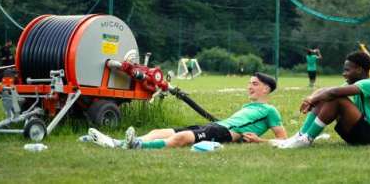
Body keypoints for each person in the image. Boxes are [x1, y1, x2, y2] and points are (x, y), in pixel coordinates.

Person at [88, 72, 287, 150]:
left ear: (266, 89)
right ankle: (117, 142)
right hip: (216, 127)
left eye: (254, 84)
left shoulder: (270, 110)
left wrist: (259, 141)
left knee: (182, 137)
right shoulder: (248, 106)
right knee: (160, 131)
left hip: (224, 134)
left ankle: (135, 145)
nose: (249, 87)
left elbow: (284, 140)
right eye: (249, 83)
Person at [273, 51, 370, 148]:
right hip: (359, 135)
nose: (344, 74)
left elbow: (333, 93)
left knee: (336, 98)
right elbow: (326, 90)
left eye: (347, 70)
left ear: (359, 70)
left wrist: (312, 100)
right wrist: (311, 98)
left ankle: (307, 139)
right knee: (326, 96)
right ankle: (301, 135)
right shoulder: (356, 84)